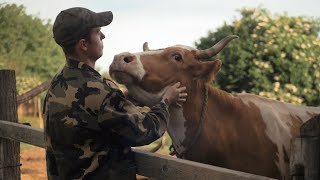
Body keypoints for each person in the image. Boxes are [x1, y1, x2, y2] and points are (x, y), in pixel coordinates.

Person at [43, 7, 187, 180]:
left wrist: (122, 98)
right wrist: (166, 101)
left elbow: (90, 114)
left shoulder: (58, 82)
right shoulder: (100, 91)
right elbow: (147, 130)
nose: (103, 36)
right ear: (83, 45)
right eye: (97, 32)